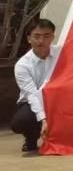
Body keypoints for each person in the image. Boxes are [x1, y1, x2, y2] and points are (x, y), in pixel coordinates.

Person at [12, 19, 57, 154]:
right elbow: (32, 95)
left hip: (58, 99)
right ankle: (31, 139)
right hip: (33, 101)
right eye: (36, 36)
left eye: (46, 36)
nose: (41, 41)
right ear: (29, 39)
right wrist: (43, 119)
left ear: (53, 37)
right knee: (21, 121)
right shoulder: (22, 65)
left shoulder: (62, 53)